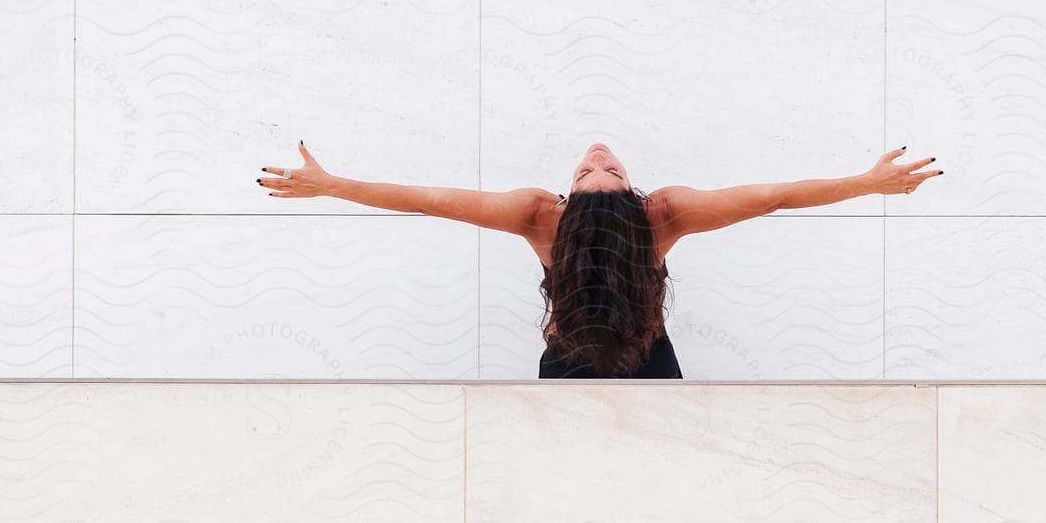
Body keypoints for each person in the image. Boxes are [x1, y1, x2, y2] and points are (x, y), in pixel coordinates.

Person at [256, 139, 943, 378]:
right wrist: (862, 182)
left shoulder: (545, 215)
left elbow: (769, 198)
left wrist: (334, 185)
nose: (598, 157)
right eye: (600, 170)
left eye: (600, 170)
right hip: (609, 355)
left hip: (608, 353)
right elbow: (429, 200)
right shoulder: (656, 215)